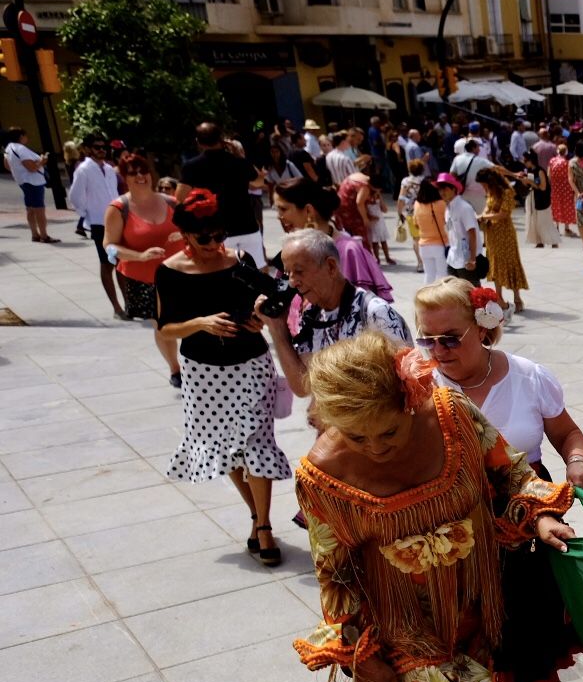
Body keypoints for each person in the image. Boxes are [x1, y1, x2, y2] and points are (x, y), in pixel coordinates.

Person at [293, 332, 574, 682]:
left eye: (387, 432)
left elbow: (510, 470)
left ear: (410, 398)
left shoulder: (451, 412)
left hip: (473, 596)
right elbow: (335, 573)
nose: (374, 448)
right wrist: (362, 655)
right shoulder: (322, 473)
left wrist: (538, 514)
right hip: (397, 615)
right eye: (355, 435)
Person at [414, 279, 583, 682]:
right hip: (451, 520)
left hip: (525, 508)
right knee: (463, 626)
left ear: (484, 326)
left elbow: (567, 433)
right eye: (426, 339)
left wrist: (577, 461)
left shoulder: (530, 376)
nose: (437, 350)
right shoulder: (418, 386)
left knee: (533, 615)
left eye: (449, 338)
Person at [153, 190, 291, 566]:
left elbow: (263, 303)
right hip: (203, 371)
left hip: (250, 360)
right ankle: (254, 515)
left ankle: (263, 526)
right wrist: (200, 323)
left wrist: (257, 319)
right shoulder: (170, 271)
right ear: (185, 235)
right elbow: (165, 328)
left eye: (220, 235)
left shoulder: (239, 260)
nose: (215, 244)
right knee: (224, 446)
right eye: (205, 238)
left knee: (257, 442)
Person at [260, 228, 412, 405]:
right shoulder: (312, 316)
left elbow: (411, 384)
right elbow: (303, 387)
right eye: (288, 273)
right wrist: (276, 328)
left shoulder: (374, 313)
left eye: (299, 271)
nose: (293, 282)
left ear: (331, 266)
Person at [105, 153, 185, 383]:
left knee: (192, 320)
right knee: (163, 325)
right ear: (125, 177)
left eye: (144, 171)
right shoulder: (119, 208)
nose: (141, 176)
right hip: (145, 278)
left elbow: (192, 230)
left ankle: (196, 364)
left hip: (181, 274)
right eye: (133, 172)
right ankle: (175, 369)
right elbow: (109, 245)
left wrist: (184, 234)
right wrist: (139, 256)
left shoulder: (170, 202)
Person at [271, 177, 393, 304]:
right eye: (277, 209)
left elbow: (361, 313)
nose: (279, 216)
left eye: (283, 209)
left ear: (308, 210)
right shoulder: (290, 251)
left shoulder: (348, 251)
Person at [174, 122, 266, 266]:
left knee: (225, 276)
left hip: (217, 233)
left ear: (198, 141)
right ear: (221, 139)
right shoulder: (238, 162)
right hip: (247, 226)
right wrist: (241, 156)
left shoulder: (192, 166)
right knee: (257, 272)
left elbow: (180, 198)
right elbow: (259, 181)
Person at [69, 136, 124, 317]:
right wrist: (88, 214)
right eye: (97, 147)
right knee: (107, 263)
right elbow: (76, 197)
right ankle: (116, 307)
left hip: (117, 220)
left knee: (122, 263)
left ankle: (130, 303)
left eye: (104, 147)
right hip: (99, 223)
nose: (101, 150)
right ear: (87, 149)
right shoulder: (83, 170)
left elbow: (114, 193)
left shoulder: (109, 169)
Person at [476, 168, 528, 312]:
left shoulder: (507, 191)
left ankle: (517, 297)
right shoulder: (491, 191)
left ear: (490, 181)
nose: (483, 187)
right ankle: (499, 297)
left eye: (483, 184)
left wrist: (484, 217)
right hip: (492, 234)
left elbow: (504, 214)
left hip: (505, 233)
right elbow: (488, 208)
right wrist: (483, 215)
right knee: (495, 264)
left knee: (510, 263)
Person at [5, 127, 56, 243]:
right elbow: (31, 167)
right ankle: (44, 235)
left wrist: (18, 171)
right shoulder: (21, 149)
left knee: (30, 209)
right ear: (21, 137)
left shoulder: (9, 148)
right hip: (33, 181)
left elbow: (7, 165)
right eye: (25, 136)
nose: (27, 138)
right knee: (39, 209)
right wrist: (42, 161)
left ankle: (35, 234)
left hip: (23, 181)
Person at [437, 173, 482, 282]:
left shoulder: (464, 207)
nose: (442, 192)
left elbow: (472, 233)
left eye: (445, 189)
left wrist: (472, 259)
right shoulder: (448, 208)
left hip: (465, 260)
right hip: (453, 258)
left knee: (472, 293)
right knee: (455, 294)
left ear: (454, 189)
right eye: (440, 189)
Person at [412, 179, 451, 281]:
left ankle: (427, 297)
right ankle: (441, 297)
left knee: (429, 275)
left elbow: (416, 224)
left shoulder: (417, 204)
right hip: (440, 244)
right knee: (442, 275)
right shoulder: (442, 204)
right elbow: (448, 222)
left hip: (424, 245)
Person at [549, 145, 578, 239]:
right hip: (566, 188)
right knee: (566, 206)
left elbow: (549, 174)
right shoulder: (567, 163)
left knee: (556, 206)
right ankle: (566, 228)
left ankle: (556, 228)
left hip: (555, 188)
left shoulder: (552, 161)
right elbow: (571, 176)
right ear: (565, 152)